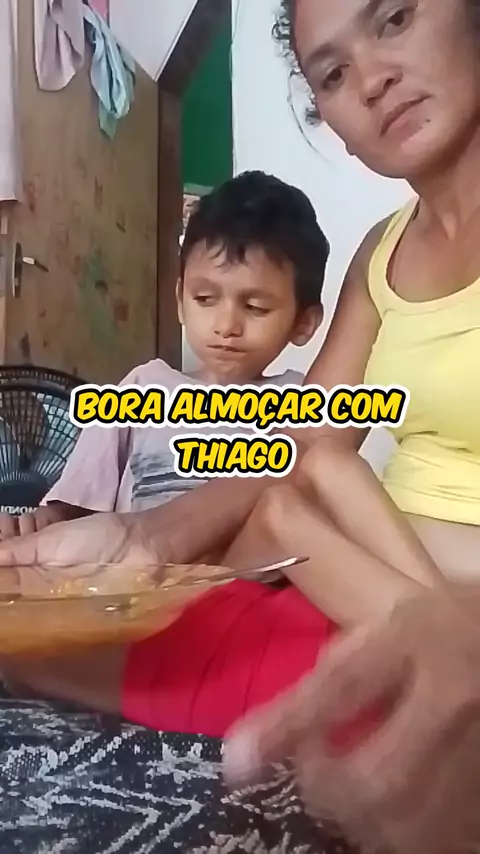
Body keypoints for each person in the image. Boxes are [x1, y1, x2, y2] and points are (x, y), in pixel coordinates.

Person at [2, 0, 480, 845]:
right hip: (344, 579)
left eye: (395, 19)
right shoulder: (380, 254)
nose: (371, 80)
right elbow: (306, 453)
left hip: (434, 588)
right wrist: (146, 535)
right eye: (332, 74)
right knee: (37, 642)